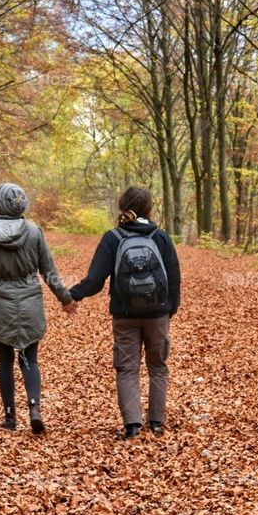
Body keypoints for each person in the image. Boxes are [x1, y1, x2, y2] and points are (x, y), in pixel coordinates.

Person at [69, 185, 181, 439]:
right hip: (158, 314)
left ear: (123, 206)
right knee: (158, 367)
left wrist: (72, 295)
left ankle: (132, 426)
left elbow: (95, 280)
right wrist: (169, 309)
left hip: (124, 314)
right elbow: (174, 278)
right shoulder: (160, 237)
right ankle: (156, 423)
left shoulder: (113, 238)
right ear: (148, 208)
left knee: (128, 368)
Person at [0, 182, 77, 434]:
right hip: (30, 302)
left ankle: (10, 417)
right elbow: (49, 271)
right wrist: (65, 298)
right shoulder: (34, 233)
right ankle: (34, 408)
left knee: (5, 360)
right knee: (30, 358)